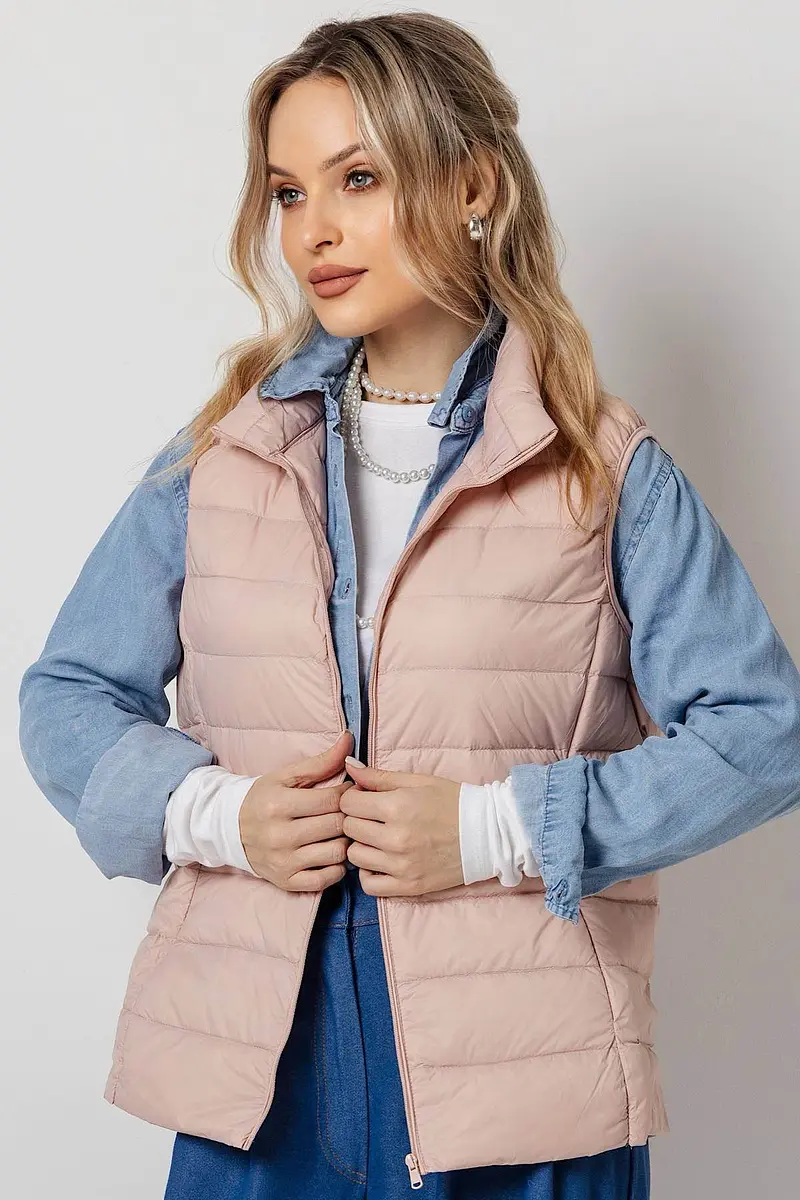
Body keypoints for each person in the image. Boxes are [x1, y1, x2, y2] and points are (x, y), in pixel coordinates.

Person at [17, 12, 800, 1200]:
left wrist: (494, 831)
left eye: (358, 179)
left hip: (522, 1086)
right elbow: (67, 695)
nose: (312, 232)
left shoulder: (598, 469)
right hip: (257, 1078)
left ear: (471, 184)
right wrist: (216, 815)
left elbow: (762, 731)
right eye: (288, 192)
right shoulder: (226, 458)